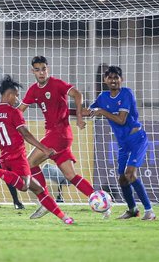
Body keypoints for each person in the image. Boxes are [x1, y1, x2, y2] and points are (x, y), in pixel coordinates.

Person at [0, 76, 74, 225]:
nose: (18, 99)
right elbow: (25, 134)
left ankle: (65, 218)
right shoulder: (14, 112)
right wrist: (44, 148)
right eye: (17, 95)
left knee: (38, 189)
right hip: (18, 157)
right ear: (9, 94)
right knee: (25, 186)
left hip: (5, 159)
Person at [18, 56, 95, 219]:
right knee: (70, 176)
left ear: (48, 69)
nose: (41, 72)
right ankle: (101, 200)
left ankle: (45, 202)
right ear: (33, 71)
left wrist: (79, 116)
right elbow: (20, 109)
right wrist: (5, 116)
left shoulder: (57, 84)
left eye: (44, 69)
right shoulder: (33, 90)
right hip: (58, 136)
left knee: (29, 163)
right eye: (37, 69)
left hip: (59, 134)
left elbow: (77, 94)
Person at [85, 66, 156, 220]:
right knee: (122, 178)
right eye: (110, 77)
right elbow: (88, 112)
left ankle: (149, 211)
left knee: (130, 174)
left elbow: (121, 120)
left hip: (136, 139)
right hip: (123, 144)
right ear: (105, 80)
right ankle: (132, 210)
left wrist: (102, 112)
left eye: (116, 77)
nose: (113, 80)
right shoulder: (103, 97)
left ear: (121, 80)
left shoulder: (126, 94)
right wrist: (69, 110)